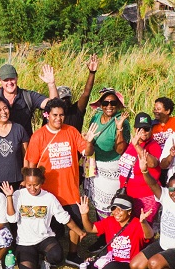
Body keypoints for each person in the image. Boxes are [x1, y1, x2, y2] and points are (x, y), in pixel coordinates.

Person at [63, 195, 149, 269]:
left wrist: (143, 223)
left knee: (112, 267)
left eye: (121, 209)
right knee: (89, 268)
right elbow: (90, 228)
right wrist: (84, 214)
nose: (116, 212)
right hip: (112, 263)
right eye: (114, 208)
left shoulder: (137, 224)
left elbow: (149, 235)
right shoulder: (110, 221)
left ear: (129, 211)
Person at [6, 167, 81, 269]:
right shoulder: (18, 195)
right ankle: (35, 259)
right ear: (25, 183)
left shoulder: (49, 197)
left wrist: (79, 232)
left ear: (41, 182)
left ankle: (45, 262)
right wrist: (9, 197)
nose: (32, 188)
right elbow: (12, 219)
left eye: (36, 185)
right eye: (29, 185)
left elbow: (64, 218)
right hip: (25, 242)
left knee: (57, 256)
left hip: (44, 238)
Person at [24, 98, 87, 233]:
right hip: (48, 191)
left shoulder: (71, 131)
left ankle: (73, 253)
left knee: (76, 221)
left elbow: (86, 151)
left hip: (70, 190)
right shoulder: (38, 136)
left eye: (61, 115)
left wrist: (90, 142)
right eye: (55, 115)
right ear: (47, 115)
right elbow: (31, 164)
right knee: (53, 230)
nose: (59, 118)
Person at [81, 88, 129, 218]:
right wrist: (88, 140)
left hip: (112, 169)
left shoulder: (121, 121)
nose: (109, 106)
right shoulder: (96, 117)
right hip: (96, 166)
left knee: (111, 205)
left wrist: (119, 130)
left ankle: (113, 234)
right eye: (105, 103)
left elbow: (120, 150)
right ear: (101, 105)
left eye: (113, 103)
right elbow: (91, 142)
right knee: (98, 202)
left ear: (117, 105)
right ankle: (102, 234)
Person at [115, 113, 164, 227]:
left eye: (146, 129)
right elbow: (119, 149)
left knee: (144, 228)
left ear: (151, 129)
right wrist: (119, 129)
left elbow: (153, 163)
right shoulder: (132, 143)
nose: (143, 132)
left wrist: (137, 146)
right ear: (135, 129)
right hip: (129, 194)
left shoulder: (153, 145)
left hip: (146, 196)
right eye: (139, 129)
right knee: (131, 227)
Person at [0, 63, 49, 129]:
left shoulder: (28, 96)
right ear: (0, 80)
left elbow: (53, 105)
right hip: (1, 139)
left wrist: (51, 84)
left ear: (17, 77)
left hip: (25, 139)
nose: (9, 83)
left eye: (12, 79)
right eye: (6, 80)